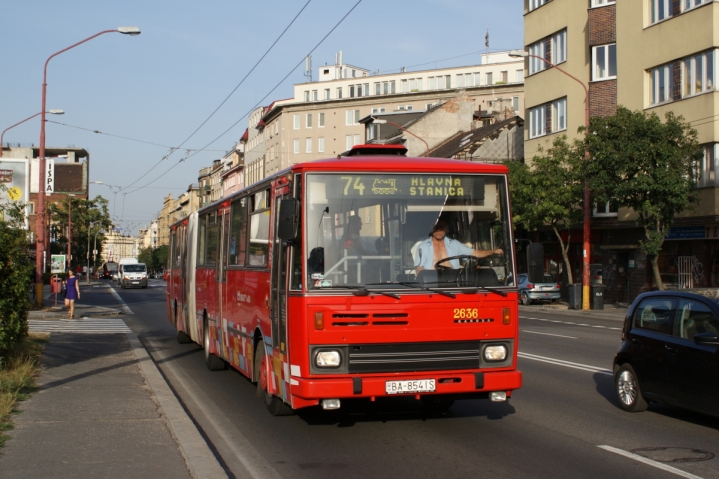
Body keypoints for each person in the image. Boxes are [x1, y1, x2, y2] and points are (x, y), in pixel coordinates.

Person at [414, 218, 502, 272]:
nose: (438, 230)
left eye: (442, 227)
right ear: (431, 228)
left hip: (453, 283)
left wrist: (493, 251)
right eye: (436, 227)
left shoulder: (454, 244)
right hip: (431, 284)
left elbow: (474, 253)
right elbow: (419, 269)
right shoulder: (423, 246)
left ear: (447, 229)